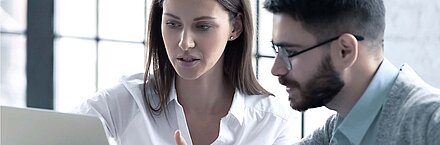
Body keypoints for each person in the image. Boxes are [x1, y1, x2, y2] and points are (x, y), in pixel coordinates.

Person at [76, 0, 296, 144]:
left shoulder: (270, 122)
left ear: (235, 28)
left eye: (202, 26)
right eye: (172, 24)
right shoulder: (126, 102)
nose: (184, 43)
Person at [262, 0, 440, 144]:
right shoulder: (338, 129)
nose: (276, 69)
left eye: (290, 52)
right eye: (277, 50)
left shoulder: (431, 122)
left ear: (345, 51)